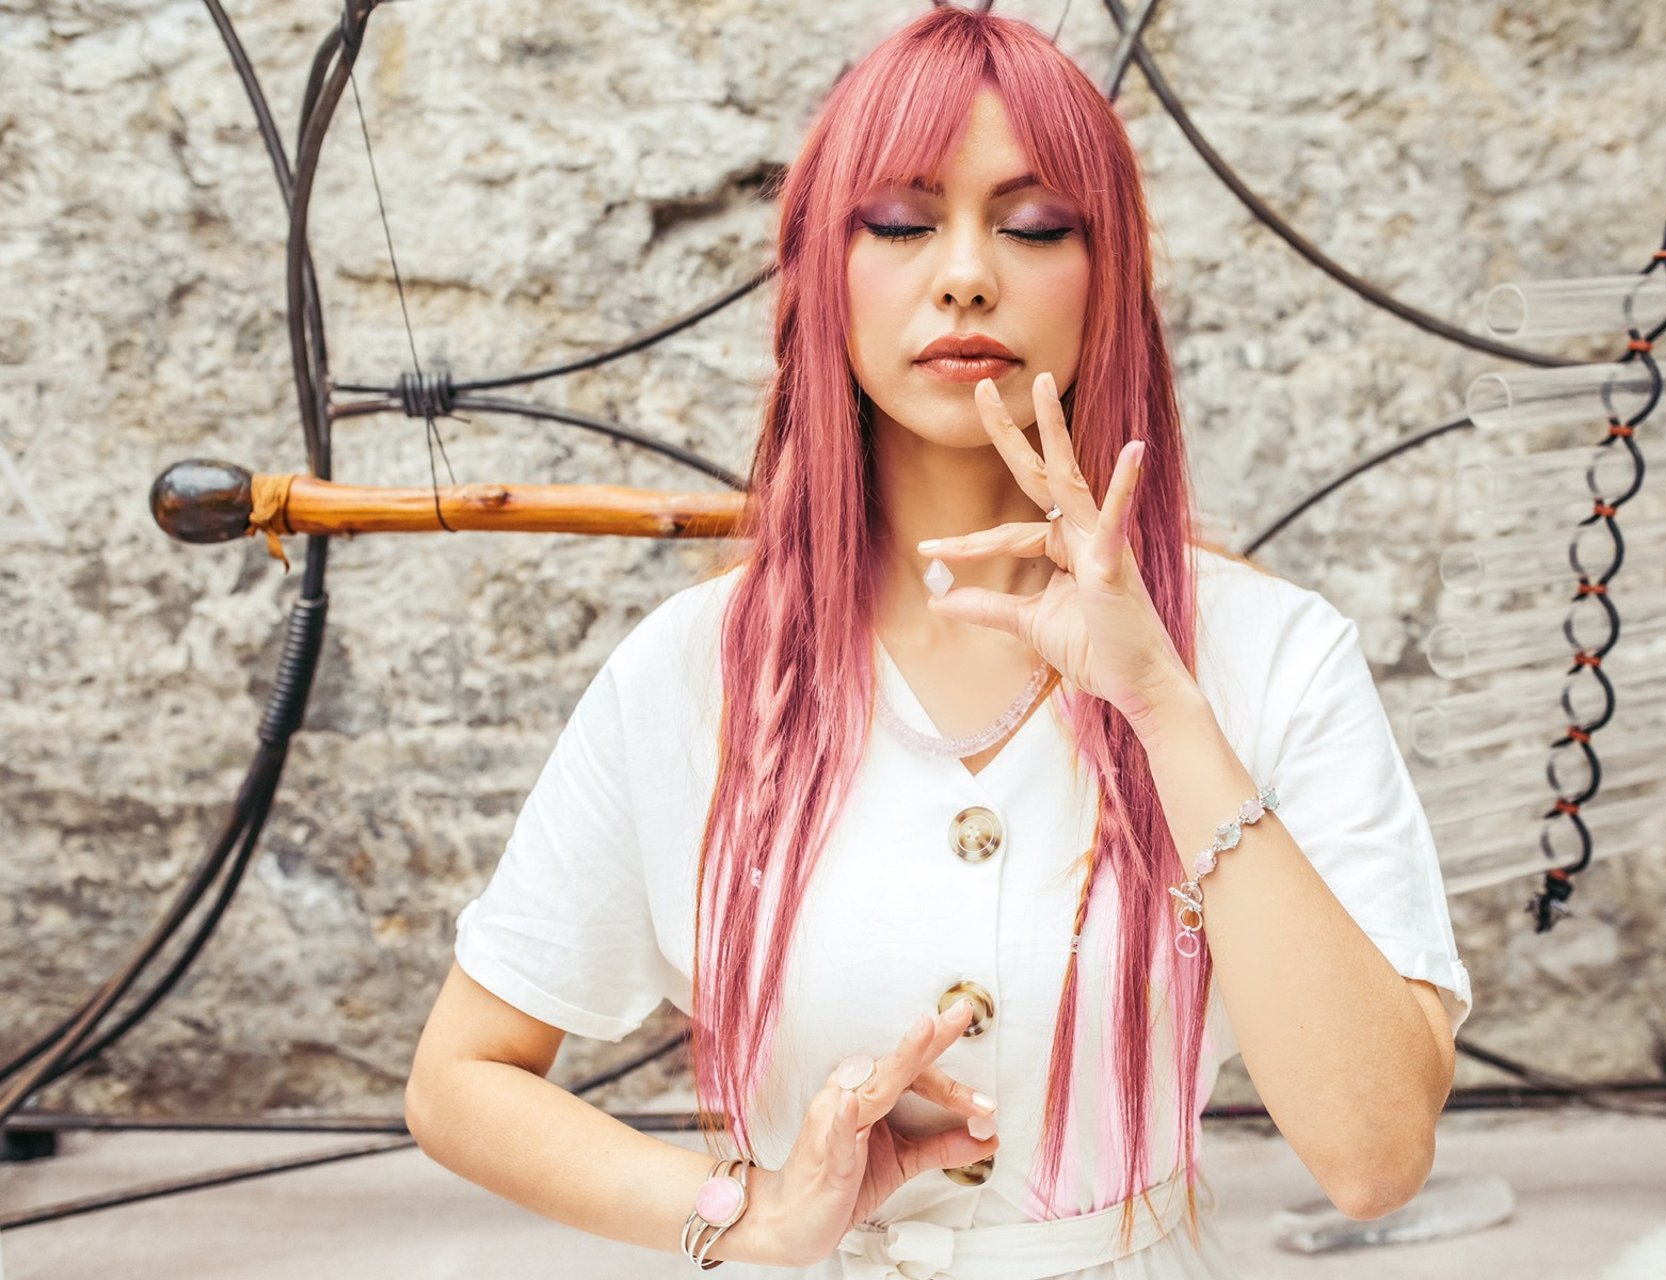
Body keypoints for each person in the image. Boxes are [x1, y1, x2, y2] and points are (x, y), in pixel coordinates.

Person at [404, 7, 1473, 1277]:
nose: (966, 272)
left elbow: (1374, 1155)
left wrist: (1163, 704)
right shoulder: (695, 669)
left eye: (1032, 227)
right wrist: (746, 1208)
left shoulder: (1269, 653)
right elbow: (461, 1075)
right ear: (821, 271)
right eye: (901, 222)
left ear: (1111, 278)